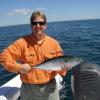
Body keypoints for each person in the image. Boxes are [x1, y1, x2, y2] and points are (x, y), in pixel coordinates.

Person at [0, 10, 66, 100]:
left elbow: (62, 67)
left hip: (51, 88)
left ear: (45, 26)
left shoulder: (54, 44)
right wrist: (18, 67)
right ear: (31, 25)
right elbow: (3, 57)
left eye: (41, 23)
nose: (38, 26)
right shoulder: (21, 43)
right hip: (29, 89)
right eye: (35, 23)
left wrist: (64, 68)